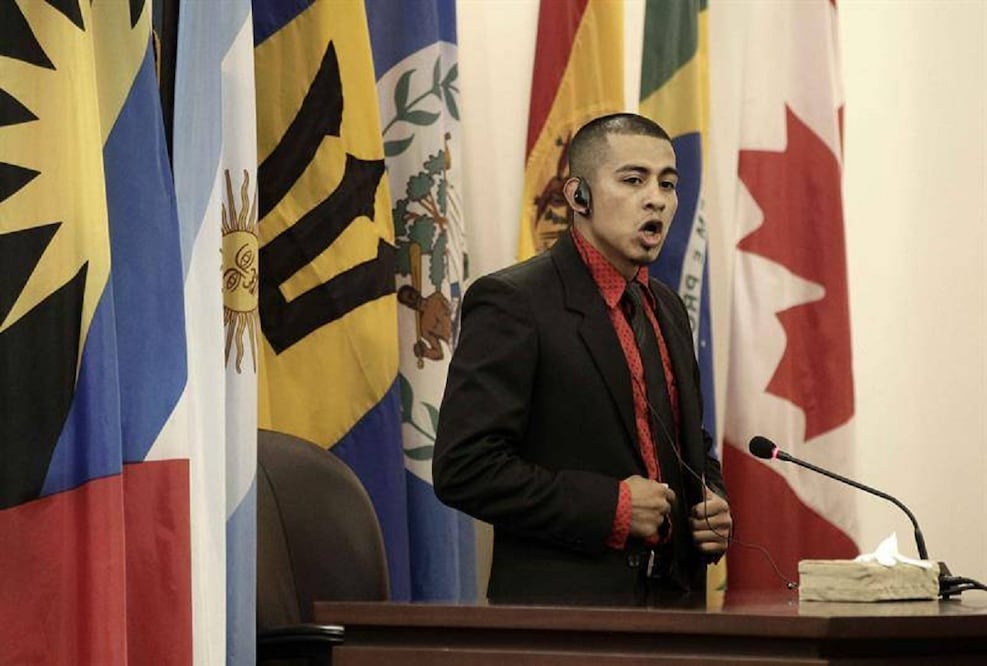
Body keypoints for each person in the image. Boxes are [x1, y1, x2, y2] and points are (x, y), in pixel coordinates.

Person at [433, 113, 731, 606]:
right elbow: (465, 468)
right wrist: (612, 507)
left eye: (667, 183)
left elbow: (687, 439)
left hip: (675, 612)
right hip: (566, 618)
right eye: (633, 180)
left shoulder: (668, 307)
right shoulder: (513, 302)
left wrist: (709, 499)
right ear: (578, 196)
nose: (656, 198)